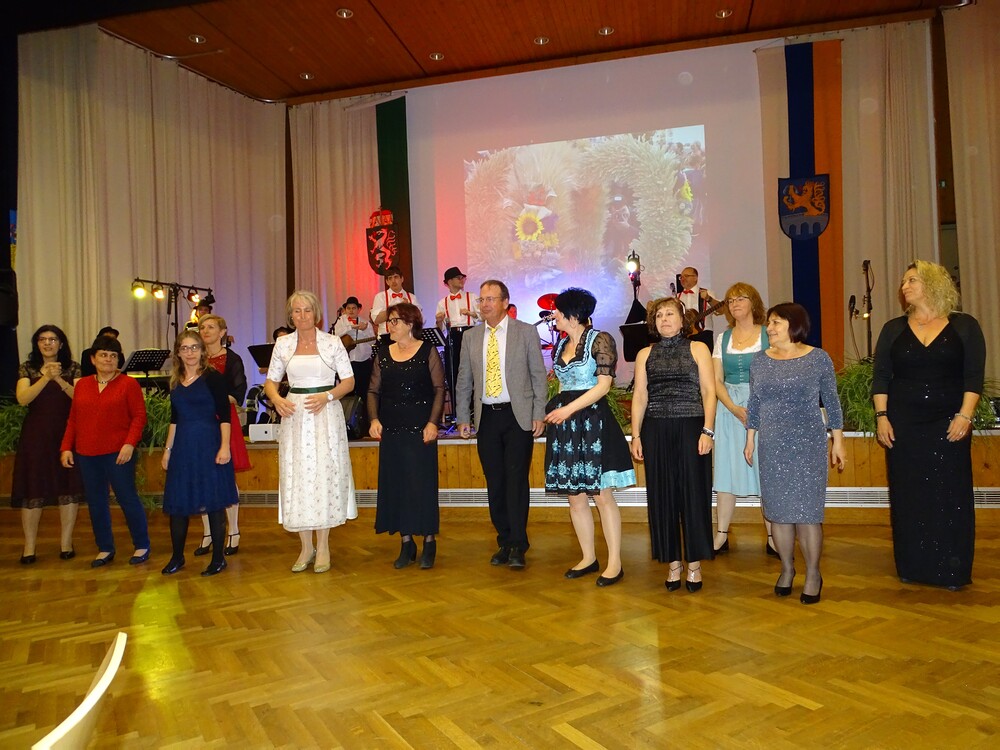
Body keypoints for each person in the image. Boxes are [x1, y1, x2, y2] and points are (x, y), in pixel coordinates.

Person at [872, 260, 986, 591]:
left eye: (912, 280)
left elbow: (973, 376)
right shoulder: (893, 329)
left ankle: (951, 570)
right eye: (903, 282)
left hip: (948, 422)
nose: (904, 286)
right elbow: (881, 377)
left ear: (933, 283)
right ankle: (912, 566)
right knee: (908, 493)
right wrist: (882, 417)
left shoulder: (964, 326)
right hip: (903, 424)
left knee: (950, 493)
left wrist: (964, 415)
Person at [744, 303, 846, 604]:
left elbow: (831, 401)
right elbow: (754, 403)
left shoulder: (818, 358)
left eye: (776, 322)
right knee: (778, 512)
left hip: (808, 442)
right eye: (769, 323)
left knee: (807, 513)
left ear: (794, 324)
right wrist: (750, 438)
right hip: (772, 443)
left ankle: (813, 574)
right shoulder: (760, 361)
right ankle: (787, 569)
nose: (769, 328)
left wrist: (838, 441)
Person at [543, 288, 635, 587]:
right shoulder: (561, 344)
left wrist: (568, 410)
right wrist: (556, 412)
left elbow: (603, 386)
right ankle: (588, 557)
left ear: (573, 315)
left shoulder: (600, 339)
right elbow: (561, 385)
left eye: (557, 311)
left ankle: (614, 563)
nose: (553, 315)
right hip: (567, 425)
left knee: (602, 495)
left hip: (593, 421)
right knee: (575, 496)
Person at [456, 279, 548, 569]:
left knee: (516, 481)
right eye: (481, 299)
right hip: (487, 418)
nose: (484, 304)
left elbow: (538, 375)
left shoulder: (525, 332)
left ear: (505, 302)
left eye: (490, 299)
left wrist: (538, 412)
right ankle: (504, 541)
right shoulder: (471, 337)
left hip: (517, 416)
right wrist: (462, 417)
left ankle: (519, 544)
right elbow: (463, 381)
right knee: (495, 482)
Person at [264, 290, 358, 573]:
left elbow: (349, 382)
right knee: (298, 476)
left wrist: (327, 397)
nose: (302, 315)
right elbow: (271, 382)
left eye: (307, 310)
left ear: (316, 314)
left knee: (323, 475)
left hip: (324, 413)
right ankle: (306, 546)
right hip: (294, 414)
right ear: (290, 315)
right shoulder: (283, 344)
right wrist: (277, 399)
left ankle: (324, 545)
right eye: (297, 311)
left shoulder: (332, 342)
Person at [630, 297, 717, 593]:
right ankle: (673, 563)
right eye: (659, 316)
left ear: (683, 320)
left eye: (670, 314)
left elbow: (709, 391)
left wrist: (708, 431)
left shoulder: (698, 348)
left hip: (692, 427)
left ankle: (694, 563)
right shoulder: (644, 354)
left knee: (694, 493)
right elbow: (640, 396)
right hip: (656, 428)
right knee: (662, 496)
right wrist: (636, 435)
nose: (664, 319)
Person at [367, 302, 446, 569]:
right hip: (392, 429)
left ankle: (429, 542)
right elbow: (373, 391)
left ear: (410, 324)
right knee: (397, 484)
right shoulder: (383, 353)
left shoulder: (427, 350)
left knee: (420, 484)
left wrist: (433, 423)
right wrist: (374, 419)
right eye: (389, 321)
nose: (390, 326)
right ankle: (406, 542)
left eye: (395, 321)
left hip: (420, 428)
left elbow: (439, 389)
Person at [60, 335, 149, 568]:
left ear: (118, 359)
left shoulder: (128, 384)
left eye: (113, 355)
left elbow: (139, 417)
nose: (108, 359)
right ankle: (105, 547)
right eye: (103, 355)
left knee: (127, 498)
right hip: (87, 453)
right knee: (96, 501)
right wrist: (66, 447)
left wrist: (129, 444)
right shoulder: (82, 385)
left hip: (119, 452)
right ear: (93, 359)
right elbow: (73, 419)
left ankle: (142, 544)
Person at [160, 331, 238, 576]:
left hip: (209, 443)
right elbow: (174, 419)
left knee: (213, 502)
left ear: (202, 350)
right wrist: (167, 450)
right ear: (178, 352)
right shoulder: (175, 381)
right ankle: (177, 557)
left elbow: (224, 416)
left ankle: (218, 559)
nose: (190, 352)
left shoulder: (213, 378)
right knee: (178, 503)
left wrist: (224, 447)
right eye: (185, 348)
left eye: (194, 347)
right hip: (183, 445)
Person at [711, 283, 776, 556]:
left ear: (754, 302)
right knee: (725, 469)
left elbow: (776, 373)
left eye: (740, 298)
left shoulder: (768, 334)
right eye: (730, 300)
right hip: (729, 408)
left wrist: (756, 406)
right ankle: (721, 534)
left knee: (766, 470)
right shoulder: (722, 338)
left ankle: (773, 535)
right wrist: (733, 407)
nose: (734, 303)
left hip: (764, 405)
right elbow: (716, 380)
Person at [12, 325, 83, 563]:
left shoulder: (73, 367)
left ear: (61, 344)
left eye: (52, 339)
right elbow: (23, 399)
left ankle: (66, 543)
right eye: (42, 339)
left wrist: (59, 379)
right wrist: (45, 377)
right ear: (37, 344)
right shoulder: (28, 367)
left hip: (66, 431)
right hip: (36, 434)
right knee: (33, 486)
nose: (47, 343)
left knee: (68, 486)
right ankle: (29, 547)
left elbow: (80, 398)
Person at [193, 313, 251, 557]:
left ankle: (233, 531)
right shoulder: (194, 357)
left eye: (210, 327)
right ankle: (208, 532)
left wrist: (213, 398)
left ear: (222, 332)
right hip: (199, 422)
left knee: (226, 476)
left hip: (223, 420)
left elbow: (238, 393)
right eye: (202, 327)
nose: (205, 331)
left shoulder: (232, 359)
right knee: (201, 477)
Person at [435, 266, 479, 421]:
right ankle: (458, 414)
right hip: (453, 336)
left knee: (474, 372)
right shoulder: (442, 302)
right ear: (448, 282)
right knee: (453, 373)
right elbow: (440, 329)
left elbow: (482, 316)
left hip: (470, 333)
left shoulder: (472, 297)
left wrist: (471, 313)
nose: (461, 280)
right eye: (458, 278)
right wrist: (439, 321)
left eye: (462, 277)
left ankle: (475, 413)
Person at [332, 296, 375, 409]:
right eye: (348, 308)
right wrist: (351, 327)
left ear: (359, 309)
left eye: (354, 308)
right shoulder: (341, 321)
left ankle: (364, 416)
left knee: (364, 390)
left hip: (363, 361)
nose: (351, 310)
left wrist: (364, 330)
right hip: (346, 362)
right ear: (345, 309)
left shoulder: (366, 323)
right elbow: (336, 335)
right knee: (348, 391)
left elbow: (373, 341)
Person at [370, 265, 422, 341]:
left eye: (396, 277)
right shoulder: (380, 297)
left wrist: (408, 309)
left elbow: (418, 319)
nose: (393, 281)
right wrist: (398, 307)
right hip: (386, 338)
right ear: (387, 282)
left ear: (402, 279)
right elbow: (376, 320)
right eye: (390, 278)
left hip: (408, 338)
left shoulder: (412, 297)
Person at [676, 267, 723, 334]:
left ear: (695, 278)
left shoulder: (708, 293)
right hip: (683, 334)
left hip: (704, 333)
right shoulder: (677, 297)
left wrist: (709, 298)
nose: (682, 279)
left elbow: (721, 310)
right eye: (681, 277)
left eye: (686, 276)